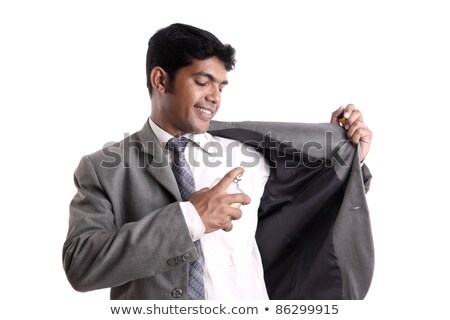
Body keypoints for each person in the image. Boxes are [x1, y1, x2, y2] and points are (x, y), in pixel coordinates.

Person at [63, 23, 373, 300]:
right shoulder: (104, 168)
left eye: (221, 86)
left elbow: (313, 199)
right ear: (160, 80)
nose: (215, 96)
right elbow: (82, 265)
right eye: (202, 81)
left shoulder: (249, 154)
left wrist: (340, 151)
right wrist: (190, 218)